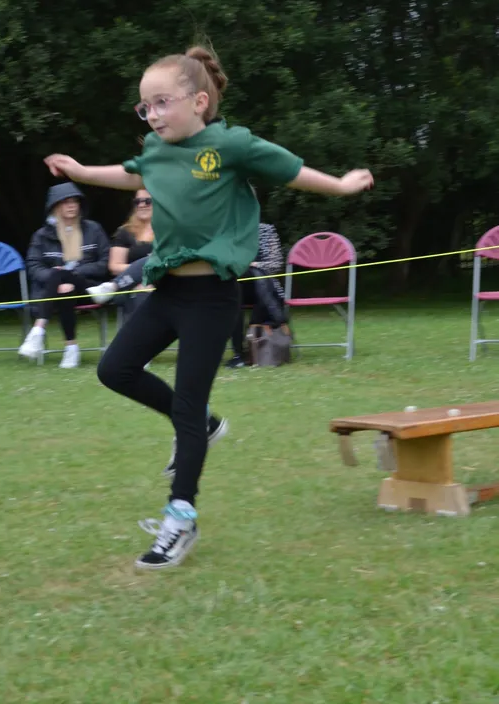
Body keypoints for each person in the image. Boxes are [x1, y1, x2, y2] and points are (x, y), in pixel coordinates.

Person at [44, 44, 373, 570]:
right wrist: (81, 170)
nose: (152, 114)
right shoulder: (156, 149)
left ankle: (182, 517)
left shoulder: (229, 145)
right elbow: (133, 175)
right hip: (167, 291)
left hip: (212, 299)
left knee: (188, 405)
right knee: (114, 369)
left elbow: (288, 169)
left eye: (161, 103)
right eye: (144, 106)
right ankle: (205, 425)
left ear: (199, 101)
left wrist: (339, 185)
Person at [19, 182, 110, 368]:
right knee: (62, 285)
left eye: (75, 201)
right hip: (55, 292)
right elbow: (34, 266)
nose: (71, 205)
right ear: (54, 206)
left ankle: (37, 331)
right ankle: (71, 350)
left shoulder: (94, 229)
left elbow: (104, 263)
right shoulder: (41, 236)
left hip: (89, 288)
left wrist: (70, 274)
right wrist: (58, 280)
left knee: (61, 275)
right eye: (65, 202)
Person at [226, 221, 285, 368]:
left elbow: (276, 263)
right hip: (234, 287)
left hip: (263, 286)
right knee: (233, 293)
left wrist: (253, 265)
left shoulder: (266, 230)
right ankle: (239, 353)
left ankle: (253, 349)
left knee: (254, 288)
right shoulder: (226, 232)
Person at [87, 188, 155, 319]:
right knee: (144, 284)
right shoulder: (125, 232)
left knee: (153, 262)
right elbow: (114, 266)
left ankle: (112, 287)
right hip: (131, 285)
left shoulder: (169, 231)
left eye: (148, 201)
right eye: (138, 202)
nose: (142, 205)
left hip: (166, 280)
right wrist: (140, 273)